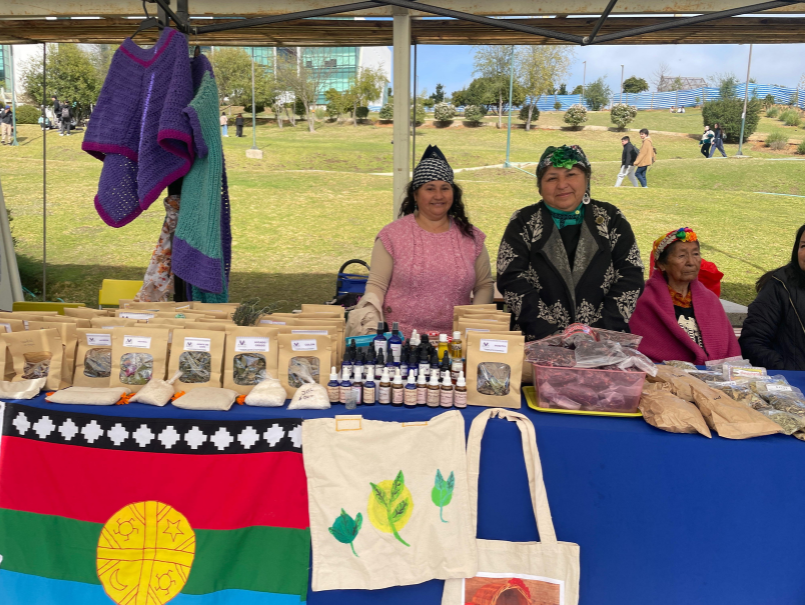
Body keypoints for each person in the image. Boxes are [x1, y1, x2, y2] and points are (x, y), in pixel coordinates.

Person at [497, 144, 645, 340]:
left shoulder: (611, 218)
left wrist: (597, 332)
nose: (562, 184)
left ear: (586, 179)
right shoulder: (524, 222)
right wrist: (551, 334)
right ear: (540, 186)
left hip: (604, 345)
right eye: (552, 178)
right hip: (538, 342)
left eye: (571, 174)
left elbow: (631, 275)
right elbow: (511, 278)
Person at [346, 145, 494, 338]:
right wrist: (372, 330)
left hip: (456, 343)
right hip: (399, 343)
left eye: (445, 188)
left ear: (453, 193)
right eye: (430, 188)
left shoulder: (472, 237)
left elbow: (484, 285)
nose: (438, 196)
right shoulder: (392, 235)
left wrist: (472, 326)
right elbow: (376, 286)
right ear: (415, 195)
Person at [630, 228, 740, 364]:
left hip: (714, 378)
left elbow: (729, 352)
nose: (691, 262)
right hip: (663, 377)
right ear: (661, 264)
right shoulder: (644, 301)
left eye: (695, 254)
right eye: (681, 256)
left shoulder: (710, 301)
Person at [739, 225, 805, 370]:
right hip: (792, 385)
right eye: (803, 246)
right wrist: (788, 371)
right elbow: (753, 342)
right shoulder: (778, 286)